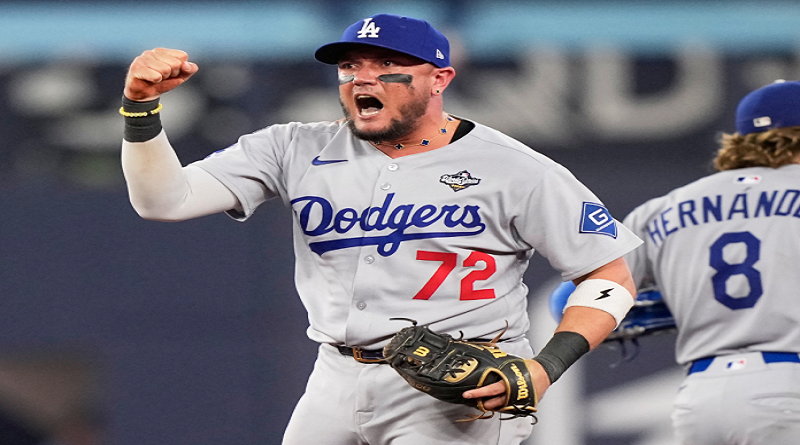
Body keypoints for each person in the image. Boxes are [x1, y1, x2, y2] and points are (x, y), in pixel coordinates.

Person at [119, 14, 642, 445]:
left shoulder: (515, 168)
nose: (363, 79)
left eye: (388, 65)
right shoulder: (292, 146)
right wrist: (140, 109)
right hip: (333, 376)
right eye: (350, 66)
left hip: (456, 388)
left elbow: (610, 276)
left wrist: (546, 366)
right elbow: (165, 201)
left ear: (439, 79)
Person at [621, 80, 800, 445]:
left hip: (700, 398)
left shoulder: (661, 209)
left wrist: (675, 306)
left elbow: (568, 303)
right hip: (789, 387)